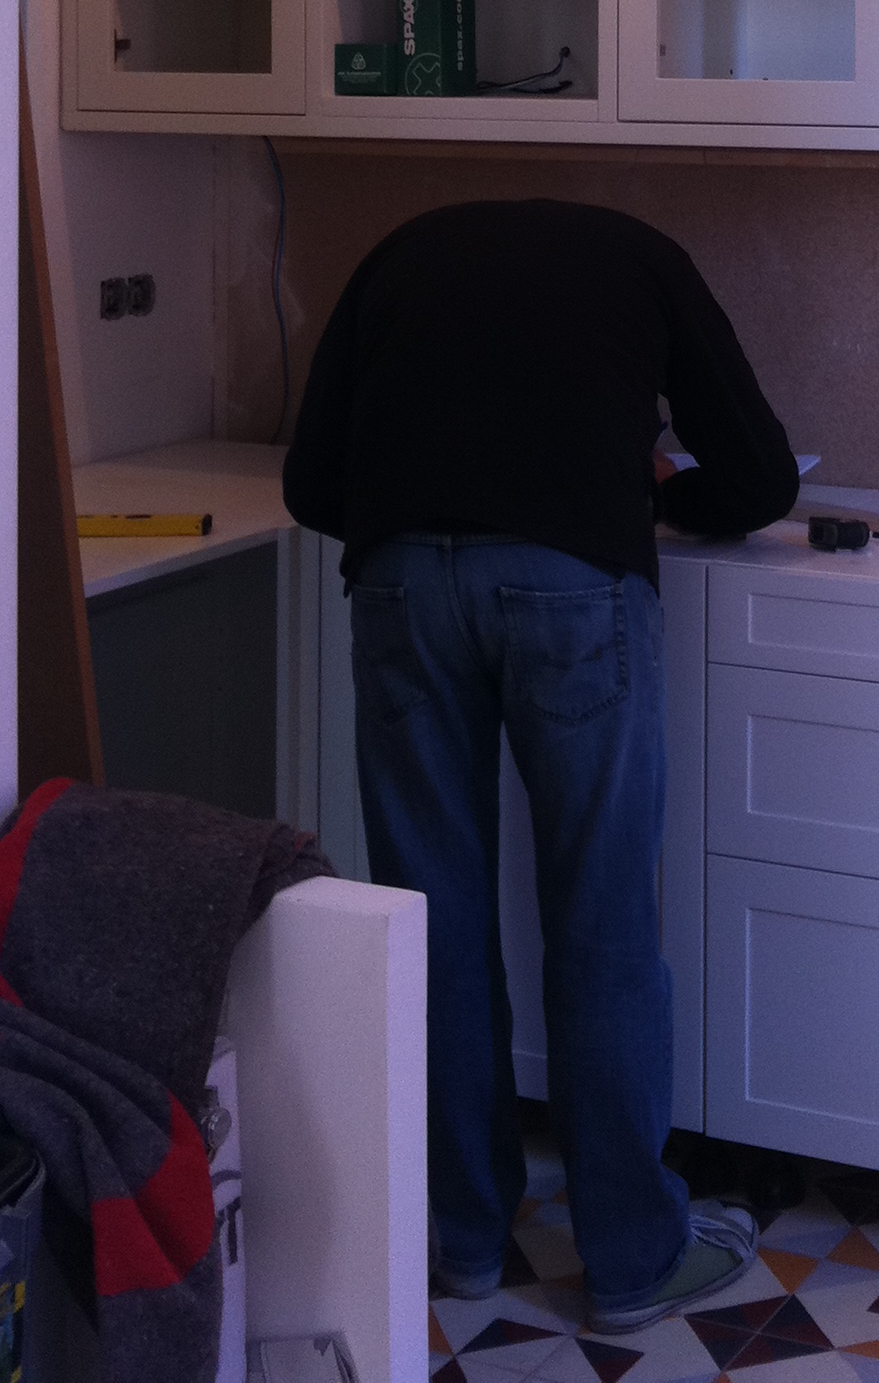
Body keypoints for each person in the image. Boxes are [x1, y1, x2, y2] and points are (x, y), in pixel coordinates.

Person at [282, 198, 799, 1332]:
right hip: (573, 583)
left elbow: (311, 484)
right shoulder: (648, 260)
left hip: (401, 586)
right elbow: (762, 479)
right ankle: (634, 1258)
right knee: (602, 922)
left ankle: (466, 1238)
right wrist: (659, 490)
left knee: (432, 916)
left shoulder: (395, 252)